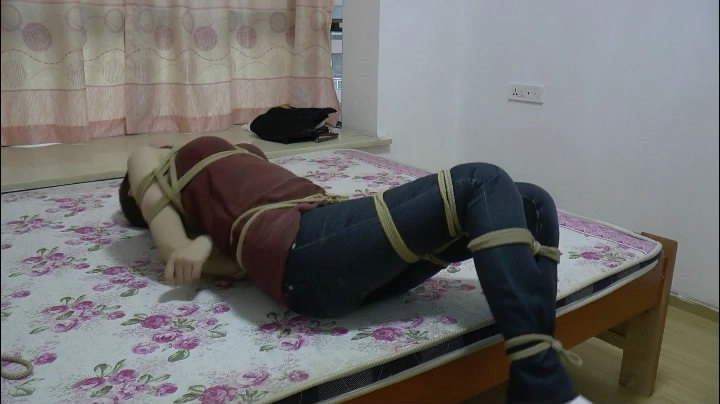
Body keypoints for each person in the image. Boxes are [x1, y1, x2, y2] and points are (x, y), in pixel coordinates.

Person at [120, 135, 590, 404]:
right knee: (481, 180)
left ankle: (537, 348)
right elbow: (170, 238)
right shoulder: (152, 159)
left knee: (531, 202)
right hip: (302, 244)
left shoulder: (211, 204)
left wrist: (204, 244)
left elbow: (225, 249)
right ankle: (540, 383)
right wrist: (184, 243)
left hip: (326, 249)